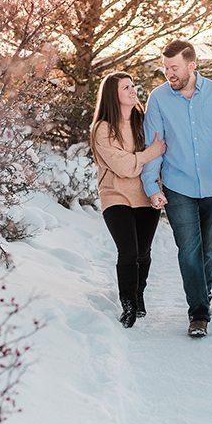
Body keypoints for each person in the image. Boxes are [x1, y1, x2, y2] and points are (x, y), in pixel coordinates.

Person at [141, 40, 212, 339]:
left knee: (208, 251)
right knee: (189, 250)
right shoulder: (158, 99)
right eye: (165, 67)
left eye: (174, 67)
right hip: (178, 185)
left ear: (191, 65)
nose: (168, 73)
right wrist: (151, 185)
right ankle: (198, 313)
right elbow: (154, 146)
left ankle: (204, 296)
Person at [90, 72, 166, 328]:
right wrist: (147, 155)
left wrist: (152, 165)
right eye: (126, 88)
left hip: (145, 194)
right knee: (129, 250)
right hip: (115, 195)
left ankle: (139, 293)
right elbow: (123, 166)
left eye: (133, 85)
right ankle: (128, 304)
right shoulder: (103, 128)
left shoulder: (143, 121)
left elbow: (159, 154)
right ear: (114, 95)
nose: (133, 90)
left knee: (143, 253)